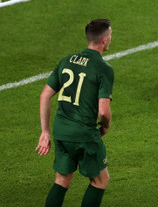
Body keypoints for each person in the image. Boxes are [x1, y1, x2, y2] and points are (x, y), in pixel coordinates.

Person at [36, 19, 114, 206]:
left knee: (62, 180)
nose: (111, 39)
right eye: (110, 35)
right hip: (84, 133)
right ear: (104, 40)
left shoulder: (66, 61)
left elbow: (45, 95)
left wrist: (45, 132)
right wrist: (105, 126)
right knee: (100, 180)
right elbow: (103, 111)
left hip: (61, 130)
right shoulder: (103, 68)